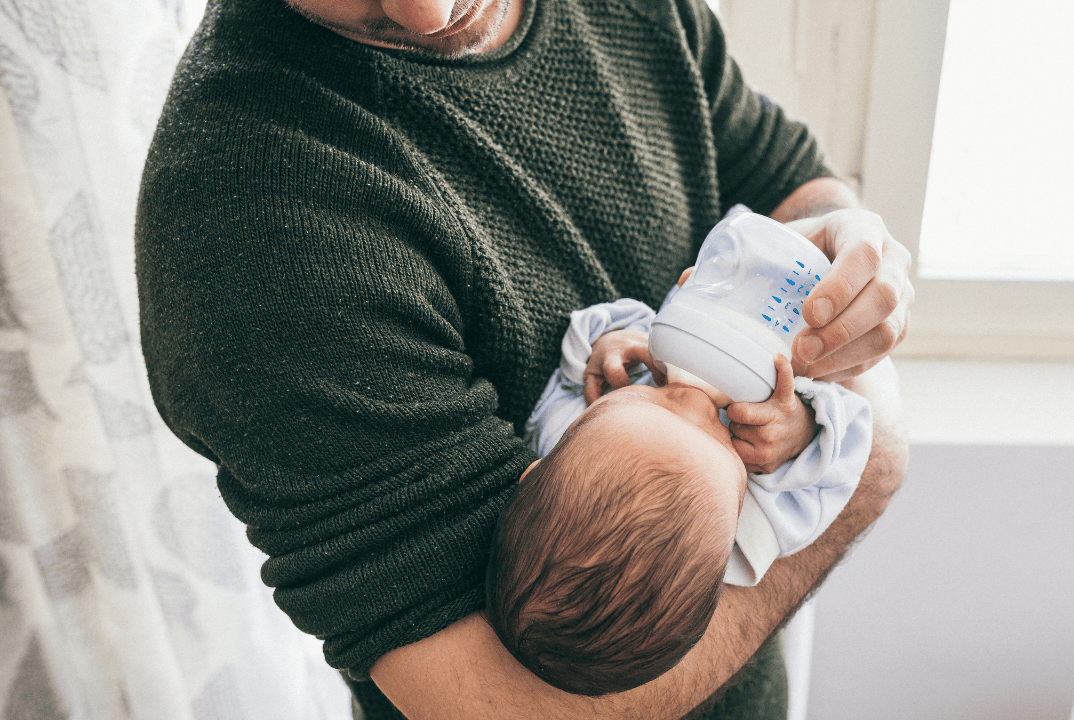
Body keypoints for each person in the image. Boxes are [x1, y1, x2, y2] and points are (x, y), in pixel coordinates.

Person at [134, 0, 914, 716]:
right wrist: (864, 458)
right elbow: (507, 707)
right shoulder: (252, 230)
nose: (428, 11)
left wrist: (848, 248)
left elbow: (783, 178)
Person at [486, 296, 873, 696]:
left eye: (654, 405)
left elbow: (572, 363)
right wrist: (801, 430)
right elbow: (848, 453)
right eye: (715, 438)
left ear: (536, 471)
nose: (694, 400)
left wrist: (613, 343)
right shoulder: (748, 534)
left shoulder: (562, 436)